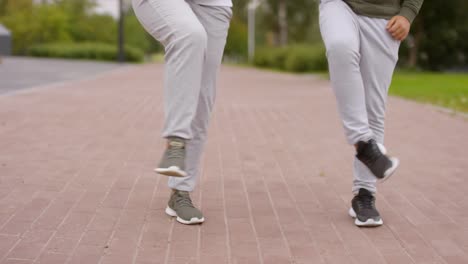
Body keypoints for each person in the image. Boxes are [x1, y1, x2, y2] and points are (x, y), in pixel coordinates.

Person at [319, 0, 423, 226]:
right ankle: (363, 142)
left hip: (386, 18)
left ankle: (364, 195)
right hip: (338, 5)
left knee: (373, 108)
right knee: (339, 46)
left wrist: (408, 13)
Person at [132, 0, 232, 225]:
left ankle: (180, 194)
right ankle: (176, 141)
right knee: (189, 34)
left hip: (213, 5)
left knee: (202, 99)